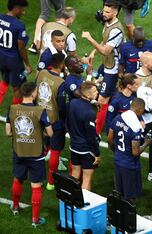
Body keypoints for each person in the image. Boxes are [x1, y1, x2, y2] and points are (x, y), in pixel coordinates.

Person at [6, 81, 53, 227]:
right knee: (36, 186)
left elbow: (8, 133)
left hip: (19, 151)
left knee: (17, 179)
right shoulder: (40, 110)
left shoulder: (12, 109)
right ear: (33, 93)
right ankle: (34, 220)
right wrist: (43, 132)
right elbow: (50, 132)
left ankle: (15, 207)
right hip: (36, 154)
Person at [82, 0, 126, 134]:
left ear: (115, 12)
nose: (104, 14)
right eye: (104, 11)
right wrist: (93, 52)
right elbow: (105, 40)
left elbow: (106, 50)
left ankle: (96, 132)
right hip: (107, 63)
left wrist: (90, 38)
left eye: (107, 12)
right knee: (105, 92)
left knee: (102, 99)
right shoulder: (108, 23)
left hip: (113, 68)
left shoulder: (116, 30)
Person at [108, 98, 151, 202]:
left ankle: (118, 216)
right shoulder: (135, 127)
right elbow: (135, 152)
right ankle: (127, 218)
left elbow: (109, 139)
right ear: (140, 110)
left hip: (118, 161)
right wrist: (146, 143)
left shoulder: (118, 118)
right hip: (130, 165)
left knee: (118, 194)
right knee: (130, 199)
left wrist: (117, 151)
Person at [35, 53, 67, 191]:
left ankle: (38, 176)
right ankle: (51, 182)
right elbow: (61, 106)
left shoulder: (41, 73)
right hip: (54, 120)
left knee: (43, 146)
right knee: (55, 151)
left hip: (40, 115)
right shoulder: (61, 83)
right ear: (61, 65)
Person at [67, 82, 101, 190]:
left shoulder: (72, 103)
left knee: (75, 174)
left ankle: (72, 199)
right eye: (95, 91)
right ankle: (85, 204)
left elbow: (68, 122)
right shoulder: (90, 113)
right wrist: (96, 153)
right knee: (87, 179)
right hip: (86, 150)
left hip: (74, 146)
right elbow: (91, 136)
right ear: (88, 95)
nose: (97, 93)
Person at [135, 52, 152, 181]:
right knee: (136, 145)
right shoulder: (137, 78)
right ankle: (132, 171)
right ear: (145, 63)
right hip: (142, 121)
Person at [0, 0, 32, 106]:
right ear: (16, 8)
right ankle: (15, 114)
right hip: (14, 62)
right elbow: (21, 48)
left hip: (1, 57)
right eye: (22, 10)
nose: (23, 13)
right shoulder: (19, 25)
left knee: (5, 80)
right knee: (18, 87)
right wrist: (27, 65)